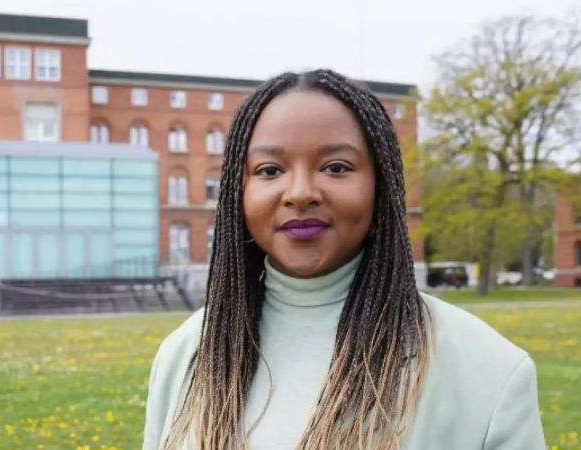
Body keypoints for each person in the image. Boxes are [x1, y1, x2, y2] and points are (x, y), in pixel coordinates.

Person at [143, 69, 546, 450]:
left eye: (337, 167)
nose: (300, 193)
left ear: (380, 187)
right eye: (269, 170)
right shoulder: (186, 354)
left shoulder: (488, 369)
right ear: (239, 191)